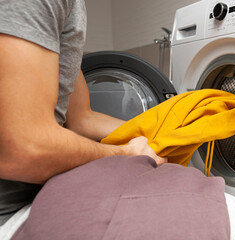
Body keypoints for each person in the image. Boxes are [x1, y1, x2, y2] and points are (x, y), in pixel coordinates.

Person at [0, 0, 166, 225]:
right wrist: (125, 154)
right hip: (9, 209)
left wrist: (160, 133)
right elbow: (23, 149)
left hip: (38, 192)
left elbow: (82, 119)